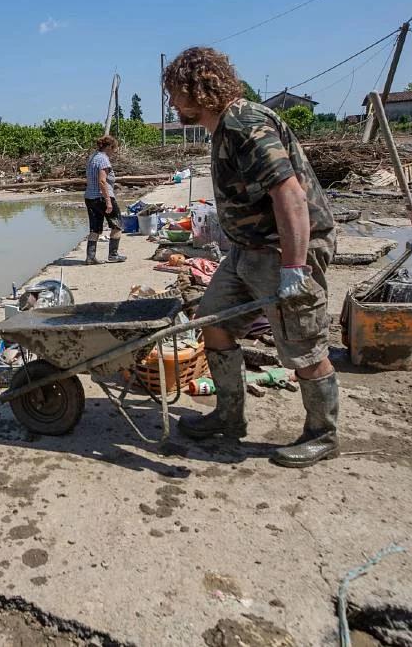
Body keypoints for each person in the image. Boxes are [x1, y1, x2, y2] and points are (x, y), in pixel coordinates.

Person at [162, 47, 340, 467]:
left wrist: (295, 269)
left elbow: (290, 195)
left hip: (282, 251)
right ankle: (229, 415)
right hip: (248, 251)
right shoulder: (225, 127)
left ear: (198, 89)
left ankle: (324, 435)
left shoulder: (245, 123)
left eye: (175, 93)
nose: (172, 103)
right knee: (214, 322)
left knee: (304, 346)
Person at [83, 135, 127, 264]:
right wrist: (108, 200)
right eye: (114, 148)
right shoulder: (103, 160)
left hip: (90, 197)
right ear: (108, 147)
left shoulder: (92, 158)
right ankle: (113, 255)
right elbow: (102, 181)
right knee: (117, 225)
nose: (114, 152)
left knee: (95, 228)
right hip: (101, 197)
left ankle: (90, 257)